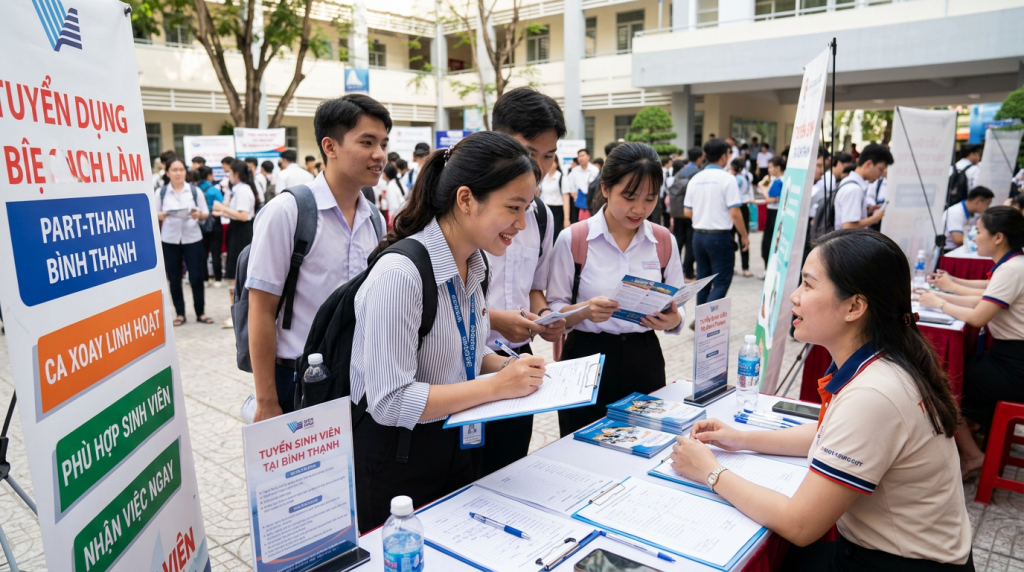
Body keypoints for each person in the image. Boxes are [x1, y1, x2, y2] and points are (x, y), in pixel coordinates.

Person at [672, 229, 974, 570]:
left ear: (855, 306)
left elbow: (800, 525)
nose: (794, 297)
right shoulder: (879, 361)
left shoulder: (874, 394)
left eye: (808, 285)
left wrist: (710, 471)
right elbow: (826, 434)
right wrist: (739, 439)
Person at [350, 131, 547, 531]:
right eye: (513, 207)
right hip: (399, 464)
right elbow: (390, 400)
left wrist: (512, 369)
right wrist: (496, 387)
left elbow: (462, 354)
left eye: (526, 208)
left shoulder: (474, 264)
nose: (522, 224)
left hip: (454, 445)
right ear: (465, 199)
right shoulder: (400, 275)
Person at [247, 94, 391, 422]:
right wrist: (267, 399)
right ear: (330, 146)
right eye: (367, 142)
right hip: (298, 381)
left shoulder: (374, 219)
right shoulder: (287, 212)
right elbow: (261, 309)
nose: (379, 155)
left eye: (383, 143)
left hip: (359, 381)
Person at [547, 143, 684, 436]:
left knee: (645, 442)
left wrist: (673, 319)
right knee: (579, 445)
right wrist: (585, 310)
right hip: (585, 358)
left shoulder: (663, 241)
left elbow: (678, 303)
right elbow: (553, 308)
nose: (640, 209)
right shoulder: (574, 239)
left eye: (650, 198)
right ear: (606, 188)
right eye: (629, 197)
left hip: (643, 357)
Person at [481, 86, 569, 475]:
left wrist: (545, 316)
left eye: (549, 156)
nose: (541, 166)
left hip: (520, 363)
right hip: (464, 365)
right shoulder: (464, 208)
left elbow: (535, 286)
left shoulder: (543, 217)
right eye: (530, 153)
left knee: (510, 465)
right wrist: (497, 319)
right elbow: (433, 300)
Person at [918, 206, 1024, 477]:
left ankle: (973, 455)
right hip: (1010, 358)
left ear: (998, 237)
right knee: (953, 374)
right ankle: (974, 436)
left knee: (940, 382)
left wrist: (939, 301)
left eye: (978, 232)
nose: (974, 238)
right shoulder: (1013, 264)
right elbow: (985, 297)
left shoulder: (1013, 269)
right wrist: (946, 292)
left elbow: (978, 316)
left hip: (1014, 366)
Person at [684, 138, 749, 307]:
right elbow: (735, 212)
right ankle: (705, 320)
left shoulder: (695, 179)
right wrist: (744, 236)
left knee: (703, 281)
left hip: (698, 236)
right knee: (721, 282)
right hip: (719, 238)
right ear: (723, 156)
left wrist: (703, 219)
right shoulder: (727, 179)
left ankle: (700, 323)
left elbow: (687, 211)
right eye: (728, 153)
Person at [155, 158, 214, 326]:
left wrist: (198, 215)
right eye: (174, 170)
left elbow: (205, 213)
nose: (178, 173)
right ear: (167, 173)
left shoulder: (194, 191)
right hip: (170, 239)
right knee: (174, 278)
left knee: (196, 277)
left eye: (181, 169)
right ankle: (180, 314)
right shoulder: (161, 192)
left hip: (192, 238)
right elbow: (153, 214)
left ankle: (200, 312)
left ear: (186, 172)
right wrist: (159, 216)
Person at [214, 159, 261, 328]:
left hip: (241, 232)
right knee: (237, 273)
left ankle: (237, 314)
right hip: (239, 231)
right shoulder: (239, 189)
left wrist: (222, 208)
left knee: (236, 274)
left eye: (229, 173)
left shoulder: (243, 190)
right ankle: (238, 312)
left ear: (236, 174)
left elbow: (242, 215)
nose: (228, 176)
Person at [833, 143, 892, 230]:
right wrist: (874, 218)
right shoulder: (854, 189)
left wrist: (867, 210)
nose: (882, 174)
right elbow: (848, 227)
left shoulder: (848, 181)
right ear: (868, 164)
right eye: (880, 169)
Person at [196, 165, 224, 288]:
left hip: (200, 222)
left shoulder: (195, 189)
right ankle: (217, 279)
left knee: (202, 252)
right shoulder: (214, 190)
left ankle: (205, 279)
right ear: (209, 175)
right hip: (214, 222)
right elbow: (222, 204)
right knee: (216, 251)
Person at [941, 186, 994, 251]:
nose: (987, 208)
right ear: (979, 202)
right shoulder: (955, 212)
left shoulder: (973, 214)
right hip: (949, 250)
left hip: (962, 248)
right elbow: (959, 240)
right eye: (987, 204)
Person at [757, 156, 785, 269]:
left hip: (776, 214)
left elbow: (769, 198)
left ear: (778, 168)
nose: (768, 170)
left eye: (770, 167)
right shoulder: (774, 180)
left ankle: (770, 269)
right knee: (766, 244)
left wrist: (761, 186)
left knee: (770, 243)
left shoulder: (781, 181)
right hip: (771, 213)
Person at [731, 157, 754, 278]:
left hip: (736, 207)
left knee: (734, 238)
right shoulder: (748, 176)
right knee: (743, 238)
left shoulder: (736, 178)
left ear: (738, 169)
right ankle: (745, 268)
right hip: (744, 206)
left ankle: (734, 267)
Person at [567, 149, 600, 222]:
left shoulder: (594, 170)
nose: (580, 158)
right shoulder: (574, 171)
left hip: (591, 203)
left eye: (582, 156)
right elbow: (571, 186)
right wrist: (576, 196)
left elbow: (597, 187)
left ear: (588, 157)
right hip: (576, 203)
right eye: (579, 156)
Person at [539, 159, 567, 236]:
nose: (550, 164)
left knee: (555, 234)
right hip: (544, 208)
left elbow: (566, 198)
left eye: (553, 162)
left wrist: (566, 218)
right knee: (543, 233)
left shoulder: (561, 177)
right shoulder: (543, 176)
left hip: (557, 209)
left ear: (557, 164)